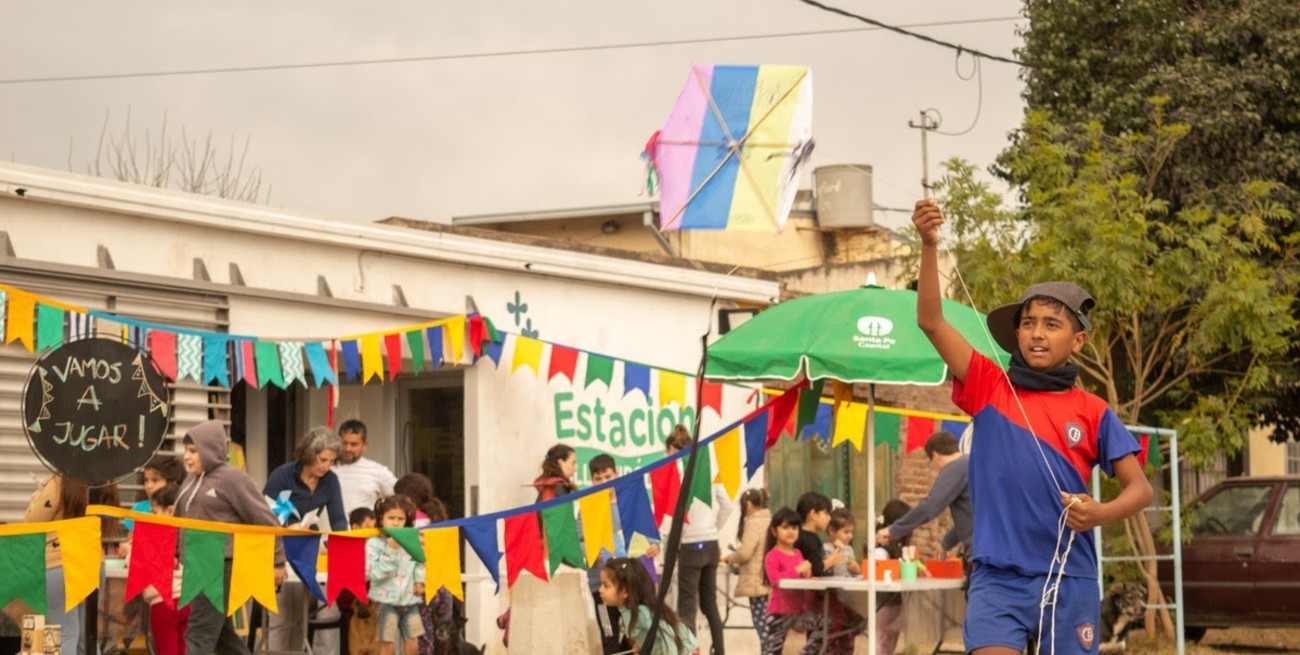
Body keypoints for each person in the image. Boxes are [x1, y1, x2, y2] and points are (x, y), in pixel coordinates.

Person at [912, 199, 1153, 655]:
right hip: (996, 579)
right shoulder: (988, 384)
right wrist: (929, 246)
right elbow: (930, 320)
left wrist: (1100, 513)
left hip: (1070, 578)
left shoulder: (1094, 410)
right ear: (1017, 334)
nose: (1037, 333)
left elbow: (1140, 490)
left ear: (1077, 341)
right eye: (1028, 323)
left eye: (1051, 324)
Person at [175, 419, 287, 655]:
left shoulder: (234, 479)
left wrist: (277, 561)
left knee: (199, 632)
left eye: (194, 451)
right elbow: (180, 520)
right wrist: (176, 552)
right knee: (221, 636)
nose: (187, 456)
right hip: (197, 563)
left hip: (221, 563)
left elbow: (266, 520)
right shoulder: (190, 480)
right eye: (186, 450)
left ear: (211, 450)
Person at [262, 427, 348, 653]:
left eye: (331, 461)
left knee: (329, 612)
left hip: (310, 547)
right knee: (283, 615)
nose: (326, 466)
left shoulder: (331, 481)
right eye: (322, 459)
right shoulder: (283, 475)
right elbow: (264, 513)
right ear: (309, 454)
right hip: (280, 547)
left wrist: (341, 547)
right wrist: (287, 527)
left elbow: (338, 519)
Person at [23, 473, 120, 655]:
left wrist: (36, 498)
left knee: (64, 634)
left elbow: (31, 521)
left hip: (59, 561)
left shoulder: (59, 482)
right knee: (88, 637)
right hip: (92, 562)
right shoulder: (106, 479)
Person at [664, 425, 734, 655]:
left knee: (686, 605)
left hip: (690, 546)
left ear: (674, 450)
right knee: (709, 604)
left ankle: (689, 650)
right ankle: (720, 650)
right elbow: (728, 505)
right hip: (711, 544)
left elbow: (675, 519)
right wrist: (713, 528)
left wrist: (673, 549)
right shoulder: (708, 471)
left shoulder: (678, 477)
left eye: (668, 452)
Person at [586, 454, 663, 655]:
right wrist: (590, 552)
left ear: (617, 474)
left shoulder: (631, 501)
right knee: (608, 635)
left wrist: (656, 545)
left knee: (637, 635)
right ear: (591, 481)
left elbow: (649, 531)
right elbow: (578, 542)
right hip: (600, 586)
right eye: (598, 478)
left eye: (607, 476)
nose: (603, 482)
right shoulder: (587, 510)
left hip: (631, 584)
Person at [874, 431, 973, 560]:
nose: (938, 469)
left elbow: (929, 508)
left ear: (936, 455)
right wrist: (945, 544)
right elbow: (970, 519)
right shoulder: (970, 464)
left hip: (982, 551)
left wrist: (892, 530)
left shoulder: (955, 468)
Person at [794, 492, 853, 655]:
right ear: (813, 514)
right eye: (826, 513)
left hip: (814, 594)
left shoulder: (808, 537)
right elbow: (816, 567)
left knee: (820, 629)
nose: (829, 517)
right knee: (830, 623)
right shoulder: (808, 538)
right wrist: (832, 560)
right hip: (812, 595)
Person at [599, 557, 698, 655]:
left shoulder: (642, 613)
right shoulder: (626, 611)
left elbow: (669, 636)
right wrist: (642, 645)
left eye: (606, 586)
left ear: (625, 591)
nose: (600, 590)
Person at [368, 495, 426, 655]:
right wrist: (391, 549)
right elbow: (375, 573)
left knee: (413, 643)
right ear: (381, 519)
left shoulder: (411, 538)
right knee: (387, 643)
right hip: (385, 602)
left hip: (410, 600)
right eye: (391, 517)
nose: (395, 522)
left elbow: (420, 561)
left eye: (400, 518)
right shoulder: (374, 542)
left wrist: (420, 580)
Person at [142, 484, 190, 655]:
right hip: (188, 601)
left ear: (170, 511)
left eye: (155, 512)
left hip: (162, 604)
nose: (152, 517)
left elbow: (136, 559)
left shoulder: (153, 534)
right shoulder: (189, 534)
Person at [722, 488, 771, 653]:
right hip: (769, 581)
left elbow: (745, 553)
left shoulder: (754, 522)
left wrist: (729, 556)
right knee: (770, 629)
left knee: (763, 630)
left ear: (749, 504)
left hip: (756, 582)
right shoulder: (770, 519)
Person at [761, 508, 811, 655]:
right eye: (785, 527)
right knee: (774, 650)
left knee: (825, 623)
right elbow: (775, 580)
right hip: (779, 612)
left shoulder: (798, 553)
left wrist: (807, 573)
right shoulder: (772, 555)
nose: (790, 531)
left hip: (798, 611)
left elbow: (802, 580)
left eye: (794, 528)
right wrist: (797, 570)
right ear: (774, 531)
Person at [870, 499, 912, 655]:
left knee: (890, 641)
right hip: (884, 601)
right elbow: (878, 569)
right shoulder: (880, 548)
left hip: (895, 601)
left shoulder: (899, 547)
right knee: (884, 641)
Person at [334, 419, 399, 517]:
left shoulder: (378, 471)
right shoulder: (324, 468)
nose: (348, 449)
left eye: (354, 444)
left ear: (365, 445)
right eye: (344, 443)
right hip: (327, 531)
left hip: (365, 531)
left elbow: (400, 499)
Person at [824, 508, 862, 577]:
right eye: (846, 532)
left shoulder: (849, 549)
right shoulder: (825, 549)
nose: (850, 536)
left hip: (848, 586)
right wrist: (838, 550)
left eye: (851, 532)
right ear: (831, 530)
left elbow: (854, 564)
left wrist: (857, 569)